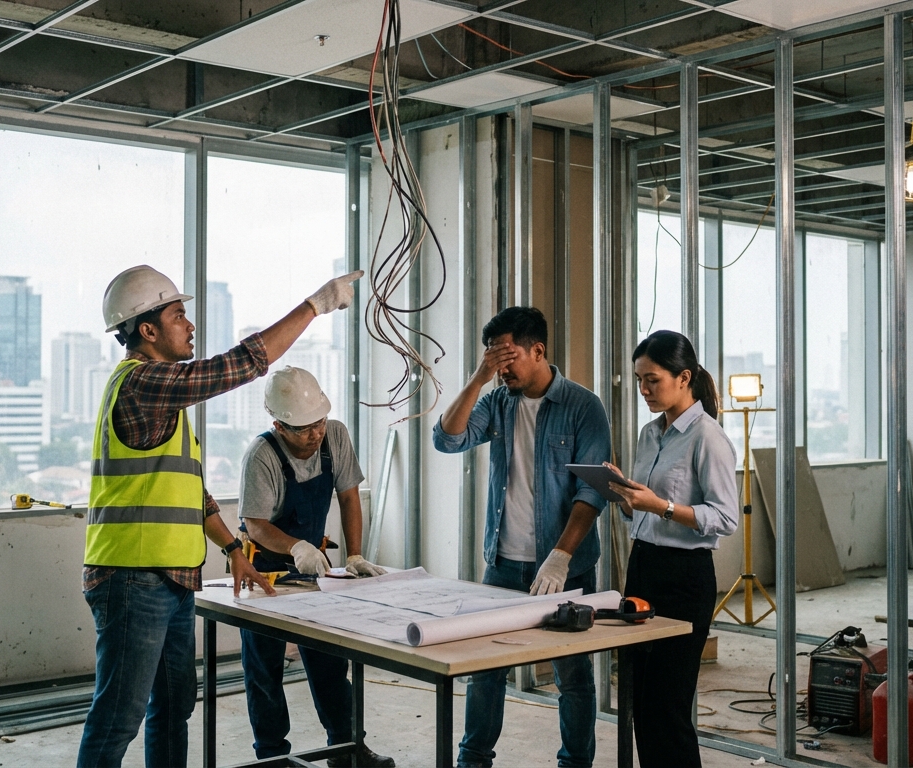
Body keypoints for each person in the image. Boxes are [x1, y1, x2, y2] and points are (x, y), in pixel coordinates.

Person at [77, 265, 363, 768]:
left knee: (172, 709)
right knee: (118, 718)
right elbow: (239, 365)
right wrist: (315, 305)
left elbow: (193, 493)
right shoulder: (143, 384)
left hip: (171, 581)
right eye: (178, 315)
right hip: (131, 579)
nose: (189, 325)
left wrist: (232, 549)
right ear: (147, 330)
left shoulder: (164, 405)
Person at [431, 306, 612, 768]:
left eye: (508, 357)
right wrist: (478, 377)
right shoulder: (497, 401)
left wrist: (561, 556)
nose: (502, 368)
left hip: (564, 565)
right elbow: (447, 440)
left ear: (538, 350)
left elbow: (592, 491)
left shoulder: (583, 407)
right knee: (486, 670)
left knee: (571, 673)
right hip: (503, 562)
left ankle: (575, 763)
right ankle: (473, 761)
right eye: (494, 358)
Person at [235, 366, 395, 767]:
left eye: (319, 421)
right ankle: (272, 758)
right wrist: (295, 546)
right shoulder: (262, 455)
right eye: (304, 428)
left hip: (314, 572)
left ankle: (347, 751)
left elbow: (348, 497)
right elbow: (255, 524)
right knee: (264, 670)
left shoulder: (335, 436)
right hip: (265, 573)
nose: (315, 433)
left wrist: (354, 555)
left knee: (329, 661)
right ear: (279, 424)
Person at [603, 330, 738, 768]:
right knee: (641, 702)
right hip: (642, 567)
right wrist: (627, 498)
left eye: (652, 380)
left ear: (684, 378)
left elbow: (725, 518)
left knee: (668, 707)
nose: (643, 390)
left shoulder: (707, 437)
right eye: (639, 379)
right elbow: (644, 512)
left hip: (683, 578)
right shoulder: (649, 433)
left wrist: (659, 505)